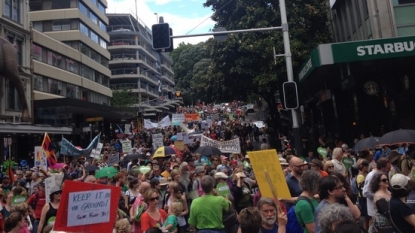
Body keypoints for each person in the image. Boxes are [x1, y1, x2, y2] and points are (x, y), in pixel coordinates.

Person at [362, 158, 391, 228]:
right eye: (387, 168)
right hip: (374, 207)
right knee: (374, 225)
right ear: (382, 167)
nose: (389, 170)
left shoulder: (381, 175)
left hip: (379, 207)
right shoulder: (371, 175)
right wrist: (378, 198)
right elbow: (365, 192)